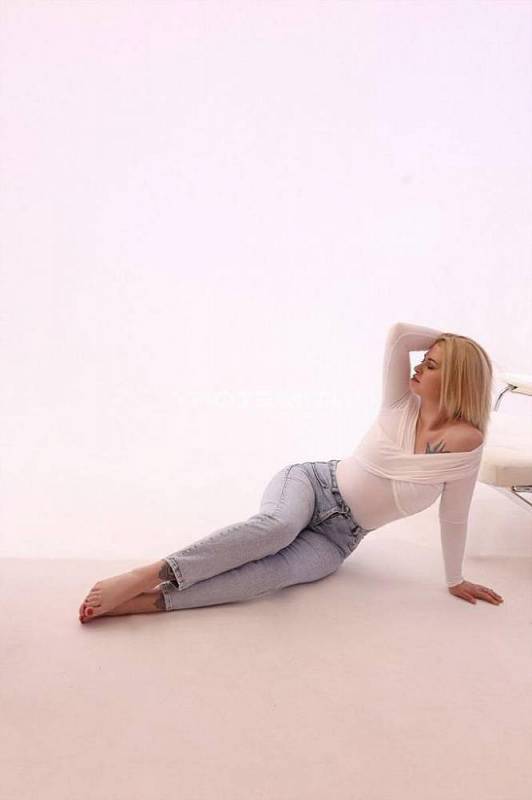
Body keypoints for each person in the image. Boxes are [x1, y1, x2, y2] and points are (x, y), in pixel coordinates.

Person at [79, 321, 503, 623]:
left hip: (339, 539)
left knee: (274, 575)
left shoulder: (466, 443)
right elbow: (400, 335)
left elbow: (454, 516)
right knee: (277, 528)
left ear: (456, 379)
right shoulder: (398, 403)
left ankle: (151, 602)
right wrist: (455, 344)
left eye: (432, 365)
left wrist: (455, 579)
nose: (418, 367)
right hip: (313, 484)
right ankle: (144, 575)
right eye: (424, 359)